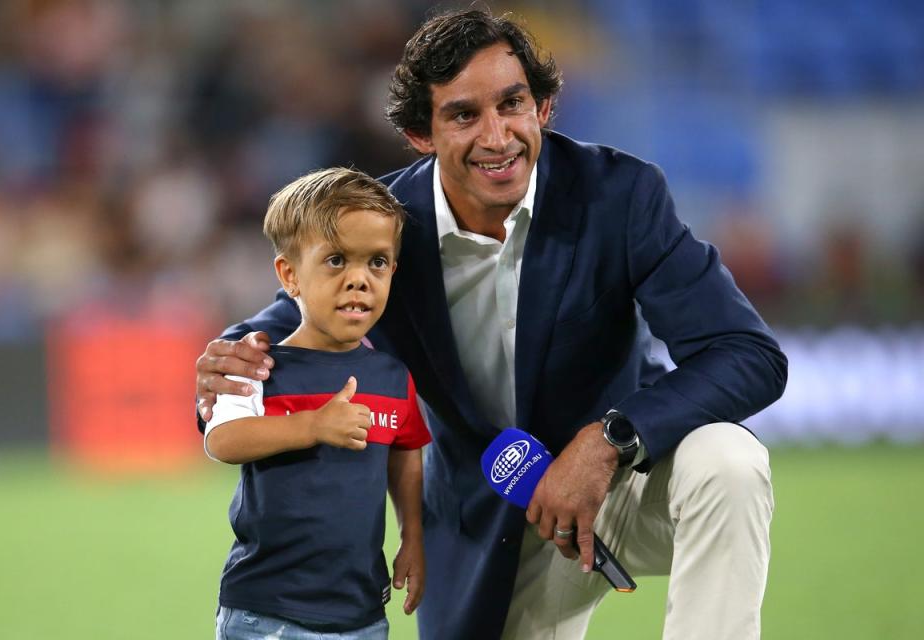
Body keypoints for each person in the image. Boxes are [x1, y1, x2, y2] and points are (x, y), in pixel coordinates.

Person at [196, 8, 787, 640]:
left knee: (728, 462)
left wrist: (609, 440)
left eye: (512, 104)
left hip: (621, 481)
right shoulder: (387, 228)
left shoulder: (619, 196)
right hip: (492, 519)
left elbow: (748, 354)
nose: (498, 135)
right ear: (421, 134)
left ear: (545, 108)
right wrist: (228, 363)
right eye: (463, 115)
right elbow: (284, 323)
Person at [204, 167, 430, 639]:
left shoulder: (391, 376)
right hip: (268, 612)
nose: (359, 280)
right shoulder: (259, 366)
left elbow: (406, 449)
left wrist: (413, 534)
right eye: (335, 261)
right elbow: (223, 439)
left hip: (361, 614)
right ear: (290, 275)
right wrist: (313, 426)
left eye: (377, 262)